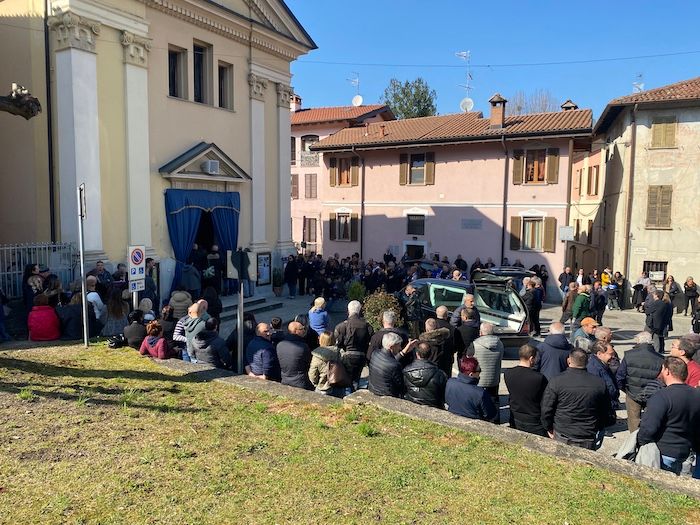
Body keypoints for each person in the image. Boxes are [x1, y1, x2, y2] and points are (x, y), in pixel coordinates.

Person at [541, 349, 614, 450]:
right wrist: (599, 427)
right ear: (587, 362)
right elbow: (605, 410)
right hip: (587, 434)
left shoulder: (556, 381)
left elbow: (546, 408)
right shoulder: (599, 383)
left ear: (568, 361)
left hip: (563, 432)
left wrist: (548, 427)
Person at [637, 357, 700, 475]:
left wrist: (641, 442)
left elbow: (648, 428)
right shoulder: (697, 395)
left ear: (667, 371)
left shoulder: (661, 396)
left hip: (663, 452)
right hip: (686, 451)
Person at [615, 331, 665, 432]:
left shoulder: (629, 355)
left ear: (638, 341)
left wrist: (625, 389)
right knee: (651, 420)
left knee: (634, 421)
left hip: (632, 393)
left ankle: (634, 439)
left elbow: (620, 376)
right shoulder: (660, 358)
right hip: (652, 394)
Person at [503, 344, 548, 436]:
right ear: (531, 359)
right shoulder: (539, 378)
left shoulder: (508, 373)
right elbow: (545, 399)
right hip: (533, 420)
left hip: (515, 416)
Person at [465, 322, 504, 422]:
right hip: (494, 378)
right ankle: (495, 421)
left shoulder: (475, 345)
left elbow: (468, 360)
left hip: (479, 379)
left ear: (481, 332)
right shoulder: (499, 343)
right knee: (494, 400)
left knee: (479, 401)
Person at [334, 300, 374, 388]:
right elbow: (371, 342)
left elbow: (337, 344)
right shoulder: (367, 326)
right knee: (356, 379)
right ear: (360, 311)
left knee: (345, 379)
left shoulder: (341, 326)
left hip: (346, 356)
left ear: (348, 310)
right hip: (361, 357)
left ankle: (348, 392)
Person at [445, 356, 497, 421]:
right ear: (471, 374)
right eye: (479, 370)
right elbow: (491, 414)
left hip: (453, 418)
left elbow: (447, 400)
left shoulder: (450, 382)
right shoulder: (480, 393)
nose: (480, 373)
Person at [368, 332, 414, 398]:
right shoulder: (394, 365)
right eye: (398, 345)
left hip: (373, 390)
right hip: (387, 396)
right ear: (392, 347)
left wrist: (403, 352)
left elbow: (388, 361)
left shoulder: (375, 353)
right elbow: (401, 386)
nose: (400, 348)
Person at [402, 341, 448, 409]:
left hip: (411, 403)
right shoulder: (440, 374)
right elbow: (444, 396)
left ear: (417, 354)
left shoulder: (406, 371)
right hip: (434, 406)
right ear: (430, 354)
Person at [276, 321, 314, 390]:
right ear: (295, 331)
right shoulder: (303, 347)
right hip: (300, 382)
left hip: (285, 380)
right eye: (301, 329)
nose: (303, 331)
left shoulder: (279, 345)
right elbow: (309, 362)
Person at [308, 331, 346, 398]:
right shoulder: (341, 352)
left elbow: (312, 374)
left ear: (321, 340)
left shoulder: (317, 355)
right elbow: (347, 368)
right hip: (338, 385)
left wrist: (316, 384)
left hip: (323, 387)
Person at [587, 340, 620, 411]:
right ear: (599, 354)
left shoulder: (603, 365)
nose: (613, 357)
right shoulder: (594, 369)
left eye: (613, 354)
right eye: (610, 354)